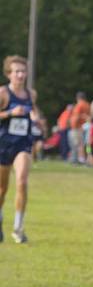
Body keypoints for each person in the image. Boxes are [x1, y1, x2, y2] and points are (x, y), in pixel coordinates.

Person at [0, 55, 40, 243]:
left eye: (23, 71)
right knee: (2, 189)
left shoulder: (31, 94)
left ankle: (18, 227)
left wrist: (34, 118)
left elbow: (33, 110)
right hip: (4, 144)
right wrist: (10, 113)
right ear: (9, 74)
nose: (20, 75)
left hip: (22, 144)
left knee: (22, 181)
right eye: (16, 71)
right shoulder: (3, 93)